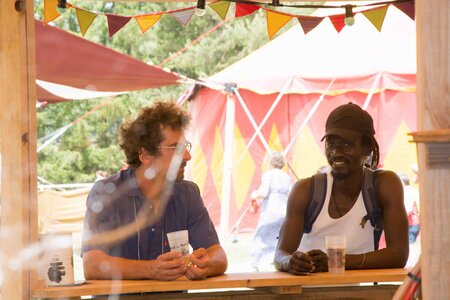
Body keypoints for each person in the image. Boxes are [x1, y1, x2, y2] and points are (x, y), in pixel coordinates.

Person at [82, 101, 227, 280]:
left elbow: (218, 254)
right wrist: (151, 269)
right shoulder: (107, 193)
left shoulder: (188, 193)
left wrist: (208, 264)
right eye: (175, 148)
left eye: (185, 147)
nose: (188, 156)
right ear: (145, 155)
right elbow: (92, 264)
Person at [274, 103, 409, 274]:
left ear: (367, 147)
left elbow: (399, 255)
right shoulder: (305, 190)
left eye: (346, 145)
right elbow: (280, 254)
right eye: (331, 144)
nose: (336, 152)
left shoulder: (384, 185)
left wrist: (336, 261)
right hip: (305, 292)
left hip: (359, 292)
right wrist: (290, 262)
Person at [249, 151, 291, 271]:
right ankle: (274, 260)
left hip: (271, 209)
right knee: (278, 237)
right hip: (283, 209)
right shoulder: (286, 176)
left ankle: (256, 263)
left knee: (262, 236)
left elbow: (264, 192)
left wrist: (254, 194)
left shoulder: (268, 174)